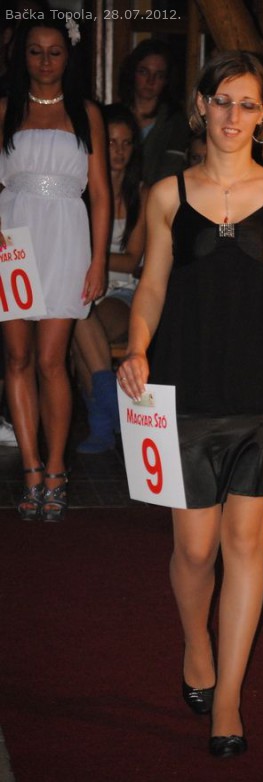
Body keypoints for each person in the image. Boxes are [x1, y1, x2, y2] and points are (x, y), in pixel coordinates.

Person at [117, 50, 263, 758]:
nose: (234, 115)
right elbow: (150, 285)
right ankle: (195, 644)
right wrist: (135, 346)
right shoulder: (168, 194)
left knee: (244, 547)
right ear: (202, 107)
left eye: (248, 103)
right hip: (186, 391)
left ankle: (228, 700)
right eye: (223, 100)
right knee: (194, 548)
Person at [0, 13, 110, 520]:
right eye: (35, 51)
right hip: (13, 240)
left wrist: (99, 260)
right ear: (22, 57)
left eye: (55, 51)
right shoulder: (5, 110)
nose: (45, 61)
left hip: (66, 237)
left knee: (51, 360)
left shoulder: (86, 113)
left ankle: (57, 468)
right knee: (18, 358)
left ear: (69, 57)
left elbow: (102, 196)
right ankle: (30, 469)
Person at [72, 103, 147, 454]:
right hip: (86, 288)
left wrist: (92, 257)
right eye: (112, 142)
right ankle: (107, 416)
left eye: (126, 143)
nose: (118, 151)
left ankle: (104, 422)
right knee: (77, 318)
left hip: (125, 292)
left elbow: (132, 261)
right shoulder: (82, 192)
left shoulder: (142, 195)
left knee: (80, 322)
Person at [118, 39, 189, 186]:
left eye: (159, 75)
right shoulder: (115, 116)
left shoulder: (176, 122)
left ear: (166, 80)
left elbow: (171, 174)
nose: (150, 81)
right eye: (144, 72)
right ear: (132, 73)